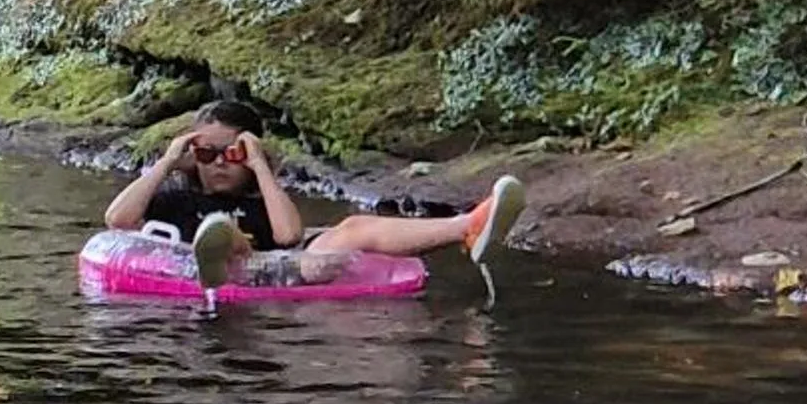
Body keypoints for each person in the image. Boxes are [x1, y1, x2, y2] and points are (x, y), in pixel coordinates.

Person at [104, 99, 526, 286]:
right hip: (196, 268)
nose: (217, 162)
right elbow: (117, 220)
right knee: (219, 229)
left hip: (275, 269)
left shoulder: (260, 198)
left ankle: (467, 227)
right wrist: (167, 161)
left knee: (355, 226)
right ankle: (215, 249)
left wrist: (259, 164)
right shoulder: (176, 196)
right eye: (206, 152)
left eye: (230, 153)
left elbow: (288, 237)